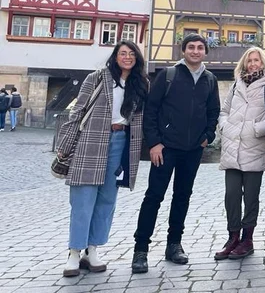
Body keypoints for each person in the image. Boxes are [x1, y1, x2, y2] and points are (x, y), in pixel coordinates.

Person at [56, 41, 148, 277]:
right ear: (115, 57)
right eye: (122, 53)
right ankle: (74, 252)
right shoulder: (97, 78)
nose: (127, 57)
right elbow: (78, 110)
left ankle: (92, 250)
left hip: (121, 142)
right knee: (83, 199)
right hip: (91, 140)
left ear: (137, 58)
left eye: (131, 54)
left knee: (107, 199)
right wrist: (65, 143)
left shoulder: (141, 84)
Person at [131, 34, 220, 274]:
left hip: (192, 150)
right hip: (166, 149)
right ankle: (141, 250)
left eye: (200, 47)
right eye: (191, 47)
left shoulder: (209, 80)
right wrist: (155, 143)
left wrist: (208, 136)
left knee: (182, 197)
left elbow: (214, 111)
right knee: (154, 197)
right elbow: (151, 111)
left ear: (205, 52)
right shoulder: (168, 76)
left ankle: (174, 245)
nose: (195, 51)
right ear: (183, 51)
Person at [214, 47, 265, 261]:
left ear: (263, 63)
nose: (253, 64)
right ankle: (233, 237)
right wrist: (225, 127)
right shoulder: (236, 85)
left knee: (251, 198)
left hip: (255, 147)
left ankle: (247, 239)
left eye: (257, 60)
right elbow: (223, 111)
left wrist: (254, 129)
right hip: (233, 147)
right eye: (249, 60)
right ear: (244, 63)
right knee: (231, 196)